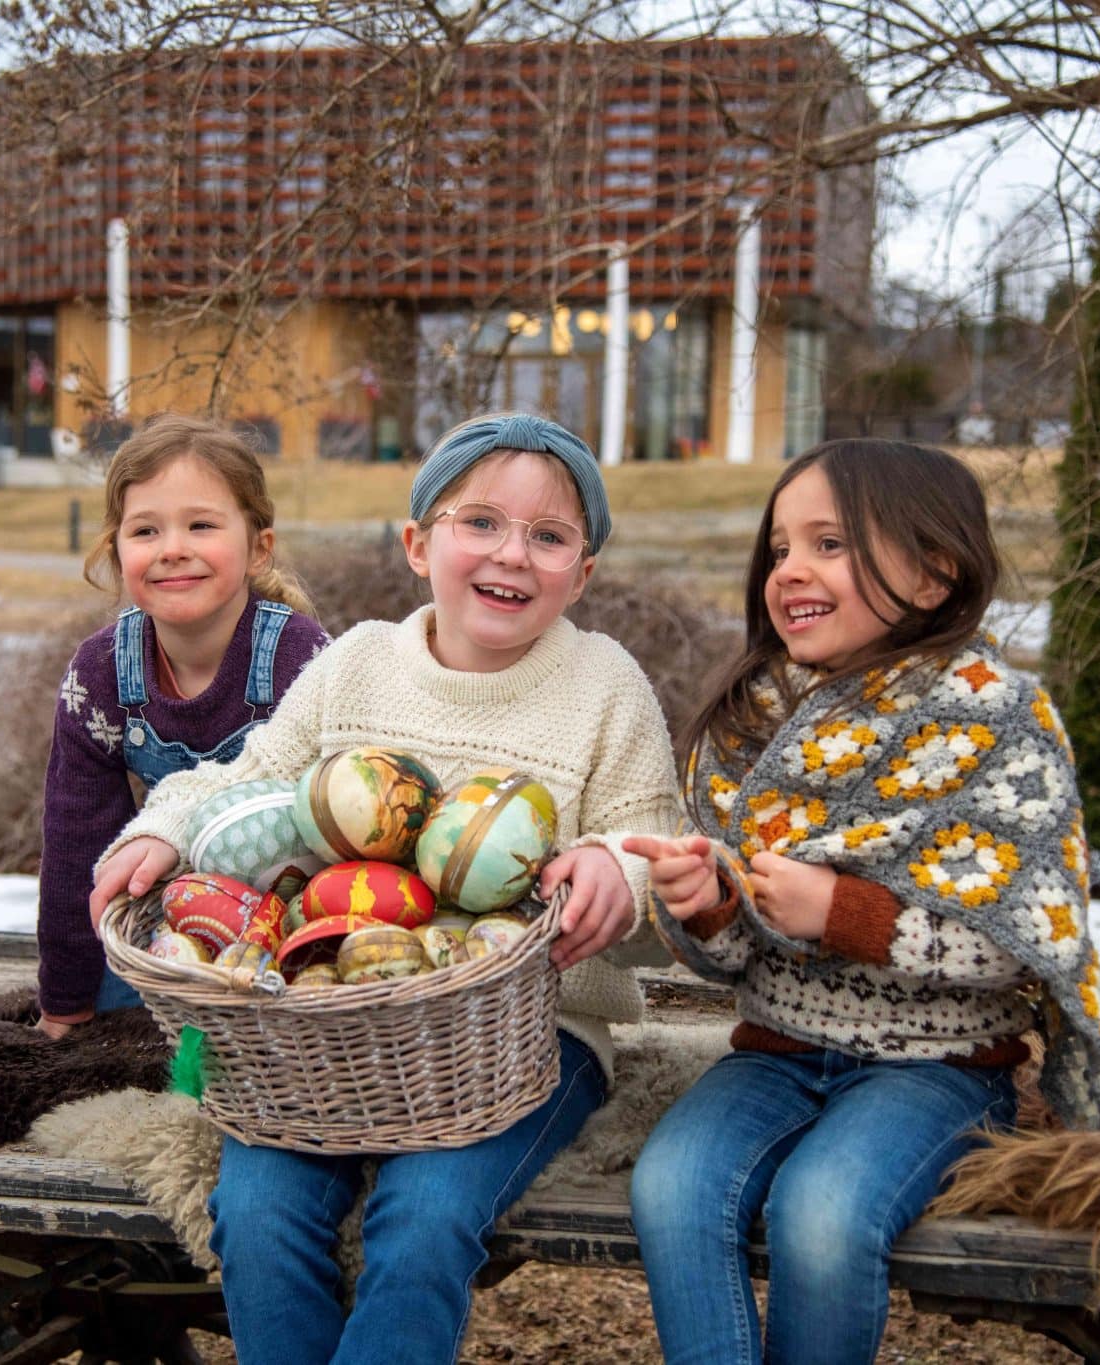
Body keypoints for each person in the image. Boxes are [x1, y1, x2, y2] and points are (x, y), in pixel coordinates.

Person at [90, 411, 682, 1365]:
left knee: (427, 1212)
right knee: (256, 1205)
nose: (512, 555)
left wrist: (626, 869)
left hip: (527, 1041)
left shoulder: (604, 687)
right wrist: (161, 823)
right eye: (478, 522)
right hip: (327, 1028)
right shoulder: (358, 663)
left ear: (584, 571)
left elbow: (664, 852)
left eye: (549, 536)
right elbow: (251, 775)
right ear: (418, 544)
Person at [622, 439, 1100, 1365]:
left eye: (831, 543)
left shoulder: (997, 719)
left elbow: (1026, 944)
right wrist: (707, 907)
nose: (791, 570)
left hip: (940, 1068)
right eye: (779, 548)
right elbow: (728, 959)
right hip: (775, 1052)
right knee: (674, 1183)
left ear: (934, 575)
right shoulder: (749, 720)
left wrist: (844, 912)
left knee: (823, 1212)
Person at [35, 414, 330, 1039]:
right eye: (146, 530)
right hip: (161, 916)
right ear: (117, 552)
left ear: (258, 547)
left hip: (291, 916)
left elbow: (338, 828)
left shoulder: (299, 659)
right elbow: (75, 845)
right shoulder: (103, 673)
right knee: (125, 1024)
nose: (173, 547)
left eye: (201, 525)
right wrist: (64, 1006)